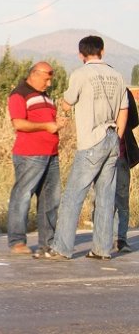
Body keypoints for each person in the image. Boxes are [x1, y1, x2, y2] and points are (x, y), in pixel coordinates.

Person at [46, 35, 128, 260]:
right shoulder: (117, 75)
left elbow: (67, 101)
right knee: (105, 197)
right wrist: (117, 136)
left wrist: (62, 106)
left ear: (81, 55)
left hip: (91, 140)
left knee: (73, 195)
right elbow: (124, 110)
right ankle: (102, 249)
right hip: (112, 137)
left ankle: (61, 248)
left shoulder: (80, 74)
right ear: (102, 51)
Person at [6, 61, 64, 257]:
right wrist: (47, 126)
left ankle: (47, 243)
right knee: (22, 196)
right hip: (30, 154)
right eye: (46, 79)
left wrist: (57, 124)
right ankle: (17, 241)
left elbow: (47, 122)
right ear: (35, 73)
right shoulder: (19, 93)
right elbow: (19, 123)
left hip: (51, 154)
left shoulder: (45, 97)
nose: (48, 83)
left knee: (50, 200)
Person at [114, 90, 138, 253]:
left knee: (113, 198)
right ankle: (119, 239)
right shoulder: (123, 90)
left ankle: (116, 238)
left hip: (118, 154)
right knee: (120, 199)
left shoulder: (123, 91)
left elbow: (135, 119)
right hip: (114, 155)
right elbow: (135, 120)